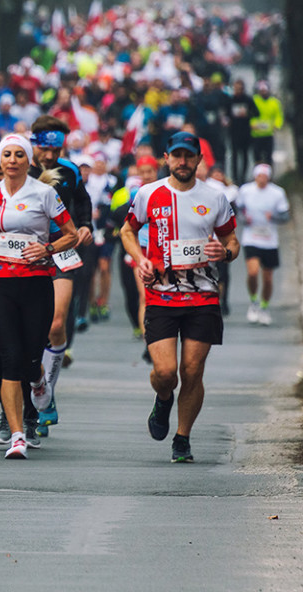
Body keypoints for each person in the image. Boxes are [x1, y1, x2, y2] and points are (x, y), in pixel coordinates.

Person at [120, 131, 239, 464]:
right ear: (166, 158)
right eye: (177, 156)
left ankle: (183, 437)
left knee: (192, 369)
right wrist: (140, 259)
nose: (183, 162)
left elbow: (232, 241)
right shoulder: (149, 193)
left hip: (202, 295)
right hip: (161, 295)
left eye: (189, 156)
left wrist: (224, 252)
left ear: (199, 160)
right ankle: (162, 399)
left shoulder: (215, 198)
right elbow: (127, 230)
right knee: (166, 372)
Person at [0, 134, 78, 459]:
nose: (12, 160)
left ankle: (39, 381)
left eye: (19, 155)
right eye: (7, 155)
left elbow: (70, 235)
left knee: (30, 358)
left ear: (29, 161)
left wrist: (46, 248)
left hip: (36, 283)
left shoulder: (45, 194)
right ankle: (17, 434)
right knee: (8, 355)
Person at [28, 116, 92, 435]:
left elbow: (82, 201)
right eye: (44, 149)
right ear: (34, 143)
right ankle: (33, 391)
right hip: (25, 253)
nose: (50, 156)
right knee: (28, 332)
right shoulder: (17, 165)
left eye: (56, 149)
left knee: (56, 323)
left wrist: (85, 225)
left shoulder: (69, 170)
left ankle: (46, 397)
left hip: (62, 250)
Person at [236, 163, 289, 325]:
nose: (262, 179)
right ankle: (253, 302)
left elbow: (285, 216)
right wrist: (245, 219)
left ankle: (264, 307)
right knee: (252, 272)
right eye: (259, 176)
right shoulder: (246, 190)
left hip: (269, 240)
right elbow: (237, 210)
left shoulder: (277, 192)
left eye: (265, 177)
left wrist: (272, 217)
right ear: (255, 176)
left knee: (268, 278)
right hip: (251, 238)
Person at [250, 81, 282, 167]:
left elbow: (279, 115)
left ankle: (269, 174)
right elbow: (250, 114)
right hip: (256, 134)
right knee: (257, 156)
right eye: (261, 91)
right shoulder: (254, 100)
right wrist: (251, 124)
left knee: (268, 156)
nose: (263, 92)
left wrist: (276, 125)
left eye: (265, 90)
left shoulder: (274, 102)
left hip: (268, 133)